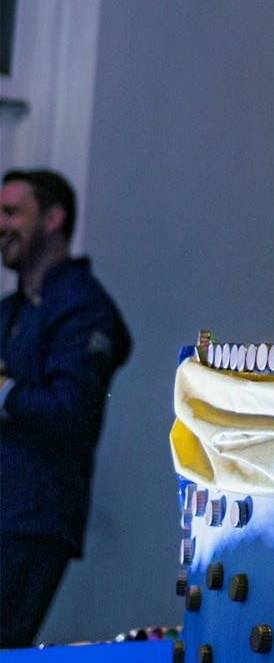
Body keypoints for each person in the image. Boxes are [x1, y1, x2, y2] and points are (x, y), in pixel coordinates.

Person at [0, 168, 132, 648]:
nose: (1, 225)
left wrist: (5, 392)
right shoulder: (11, 308)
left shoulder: (84, 308)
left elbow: (70, 409)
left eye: (12, 212)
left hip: (30, 519)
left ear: (53, 219)